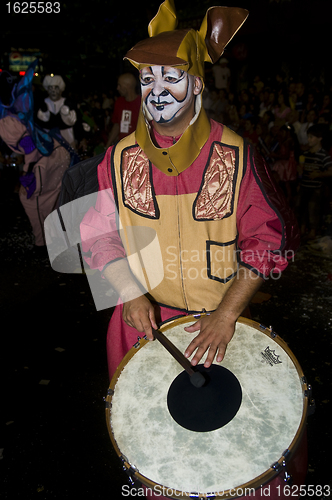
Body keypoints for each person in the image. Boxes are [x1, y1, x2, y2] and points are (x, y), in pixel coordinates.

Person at [79, 2, 301, 497]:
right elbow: (97, 234)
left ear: (198, 84)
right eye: (148, 79)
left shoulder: (237, 154)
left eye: (172, 77)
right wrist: (130, 293)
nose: (157, 90)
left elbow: (269, 240)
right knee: (156, 452)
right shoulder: (118, 159)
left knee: (238, 454)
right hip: (147, 327)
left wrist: (227, 315)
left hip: (220, 322)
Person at [0, 63, 71, 253]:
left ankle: (43, 244)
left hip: (46, 157)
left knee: (31, 199)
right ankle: (56, 241)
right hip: (56, 155)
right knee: (50, 199)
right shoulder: (11, 114)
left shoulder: (6, 120)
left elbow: (30, 147)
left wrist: (27, 172)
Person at [298, 124, 332, 239]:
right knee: (302, 208)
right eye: (308, 137)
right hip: (304, 185)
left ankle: (313, 231)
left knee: (313, 208)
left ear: (319, 138)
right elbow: (301, 170)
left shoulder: (323, 155)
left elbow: (330, 171)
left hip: (316, 187)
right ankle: (302, 229)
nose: (309, 140)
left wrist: (318, 174)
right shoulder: (306, 154)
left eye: (312, 137)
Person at [36, 74, 81, 148]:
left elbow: (77, 122)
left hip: (67, 141)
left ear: (60, 89)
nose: (53, 91)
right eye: (50, 88)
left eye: (56, 88)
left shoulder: (69, 103)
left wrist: (81, 138)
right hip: (48, 143)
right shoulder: (41, 104)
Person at [105, 72, 141, 147]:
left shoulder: (142, 103)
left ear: (127, 86)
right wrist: (108, 145)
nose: (117, 88)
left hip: (137, 147)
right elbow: (117, 125)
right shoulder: (119, 102)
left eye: (120, 85)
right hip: (122, 146)